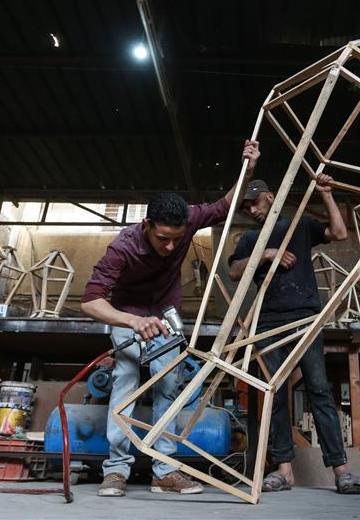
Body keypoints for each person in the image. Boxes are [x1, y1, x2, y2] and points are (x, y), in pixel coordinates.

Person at [82, 140, 260, 497]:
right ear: (148, 225)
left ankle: (164, 471)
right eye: (163, 239)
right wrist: (131, 322)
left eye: (176, 240)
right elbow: (90, 301)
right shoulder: (123, 247)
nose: (169, 248)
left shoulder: (189, 219)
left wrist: (249, 169)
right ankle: (115, 471)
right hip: (129, 313)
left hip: (165, 314)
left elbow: (225, 206)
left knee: (168, 386)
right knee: (127, 379)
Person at [228, 174, 360, 495]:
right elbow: (235, 272)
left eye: (256, 201)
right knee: (273, 392)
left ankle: (341, 470)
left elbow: (340, 233)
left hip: (305, 317)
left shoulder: (300, 226)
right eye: (247, 205)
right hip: (267, 323)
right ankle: (284, 470)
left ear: (270, 197)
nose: (252, 209)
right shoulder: (249, 239)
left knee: (318, 389)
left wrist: (327, 195)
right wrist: (267, 254)